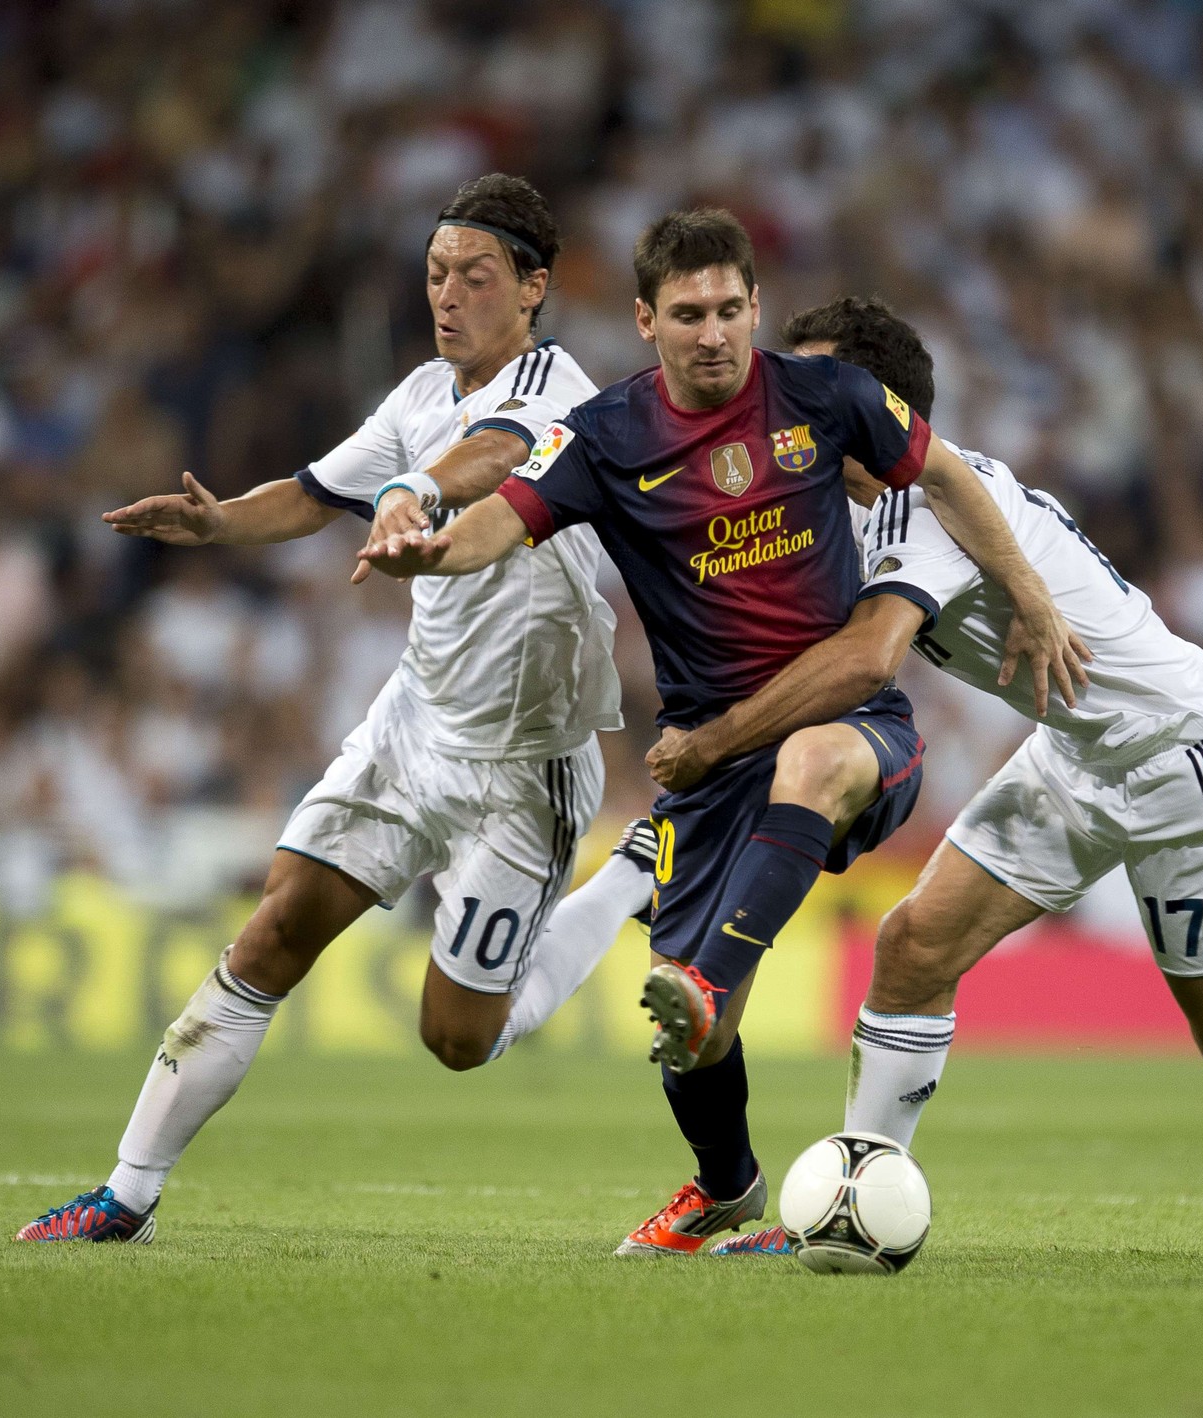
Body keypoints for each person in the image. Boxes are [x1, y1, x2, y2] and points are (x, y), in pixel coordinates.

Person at [649, 296, 1203, 1256]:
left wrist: (715, 743)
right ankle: (850, 1199)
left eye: (813, 384)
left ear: (871, 406)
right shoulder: (865, 509)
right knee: (914, 944)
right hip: (1077, 754)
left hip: (1176, 754)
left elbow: (871, 659)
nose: (787, 404)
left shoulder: (926, 511)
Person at [356, 211, 1086, 1256]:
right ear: (646, 318)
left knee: (808, 766)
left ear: (754, 304)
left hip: (850, 732)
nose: (714, 334)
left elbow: (948, 474)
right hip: (703, 772)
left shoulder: (824, 395)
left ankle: (702, 977)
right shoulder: (606, 436)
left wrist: (1027, 591)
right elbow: (504, 518)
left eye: (731, 309)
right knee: (693, 1050)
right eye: (688, 314)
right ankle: (726, 1182)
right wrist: (427, 553)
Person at [17, 174, 655, 1245]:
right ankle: (124, 1192)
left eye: (476, 276)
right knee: (274, 927)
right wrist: (222, 522)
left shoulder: (563, 395)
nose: (448, 296)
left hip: (524, 762)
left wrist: (417, 494)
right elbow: (316, 494)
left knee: (458, 1038)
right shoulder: (415, 395)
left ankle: (635, 866)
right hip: (413, 728)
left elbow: (491, 456)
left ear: (534, 287)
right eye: (436, 274)